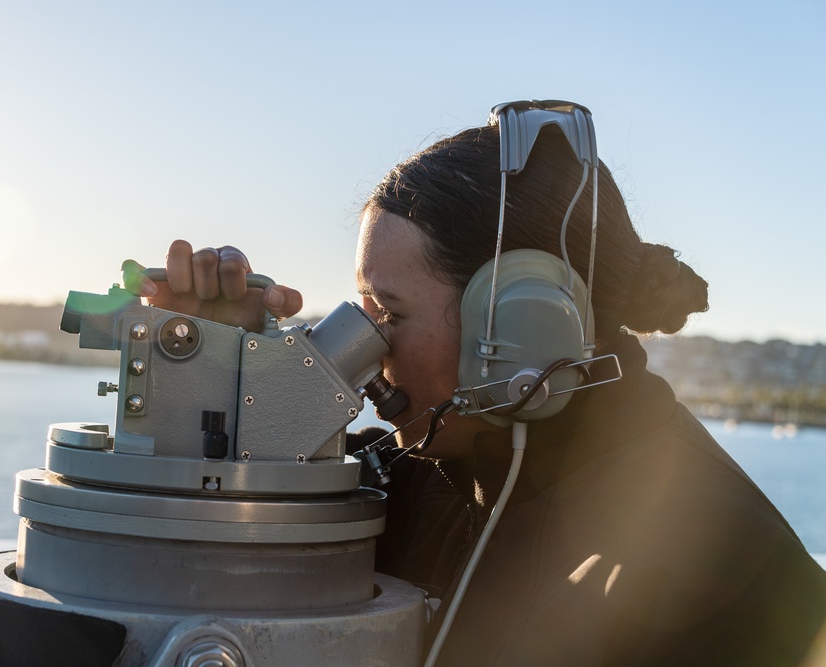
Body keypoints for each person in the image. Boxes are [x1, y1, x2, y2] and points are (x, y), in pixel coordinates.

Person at [123, 105, 826, 666]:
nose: (366, 353)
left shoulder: (725, 575)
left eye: (387, 315)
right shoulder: (415, 480)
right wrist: (218, 374)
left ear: (519, 329)